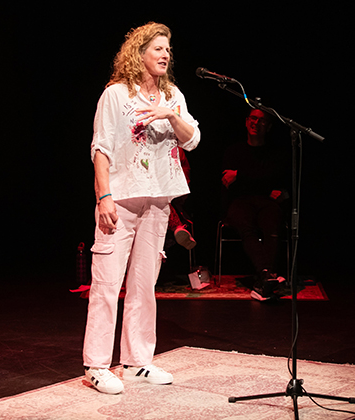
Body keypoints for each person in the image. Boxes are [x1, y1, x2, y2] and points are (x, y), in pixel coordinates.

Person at [83, 22, 200, 394]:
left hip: (158, 201)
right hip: (120, 201)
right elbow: (100, 149)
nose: (165, 54)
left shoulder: (173, 95)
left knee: (144, 285)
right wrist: (103, 197)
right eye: (158, 49)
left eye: (168, 49)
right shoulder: (117, 95)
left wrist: (170, 114)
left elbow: (193, 139)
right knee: (106, 283)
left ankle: (137, 361)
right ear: (139, 53)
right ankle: (97, 365)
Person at [221, 108, 289, 301]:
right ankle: (267, 274)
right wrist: (262, 184)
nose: (256, 123)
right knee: (246, 227)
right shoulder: (234, 151)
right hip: (240, 201)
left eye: (261, 121)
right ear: (246, 121)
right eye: (253, 118)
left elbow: (274, 177)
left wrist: (240, 177)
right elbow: (228, 183)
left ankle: (264, 277)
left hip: (266, 202)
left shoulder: (275, 153)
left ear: (268, 127)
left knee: (272, 224)